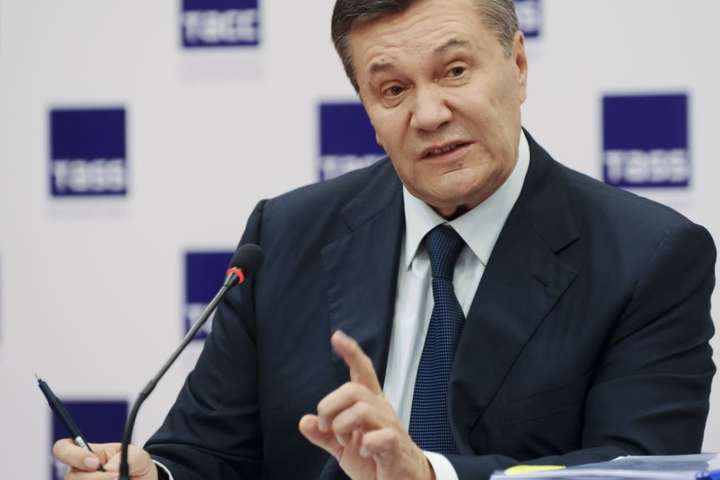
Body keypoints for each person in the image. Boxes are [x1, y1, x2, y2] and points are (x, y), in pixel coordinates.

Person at [52, 0, 716, 479]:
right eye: (393, 89)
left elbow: (636, 471)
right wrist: (154, 475)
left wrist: (427, 475)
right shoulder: (284, 237)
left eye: (455, 71)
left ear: (517, 64)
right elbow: (206, 453)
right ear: (368, 110)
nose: (429, 114)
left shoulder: (649, 256)